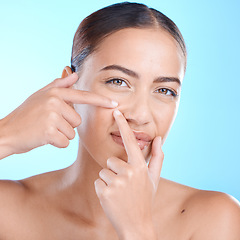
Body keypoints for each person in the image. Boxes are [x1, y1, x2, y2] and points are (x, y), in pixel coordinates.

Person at [0, 2, 239, 239]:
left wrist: (137, 230)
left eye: (165, 91)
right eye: (118, 82)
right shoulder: (8, 210)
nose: (141, 116)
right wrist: (6, 135)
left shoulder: (216, 219)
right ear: (69, 84)